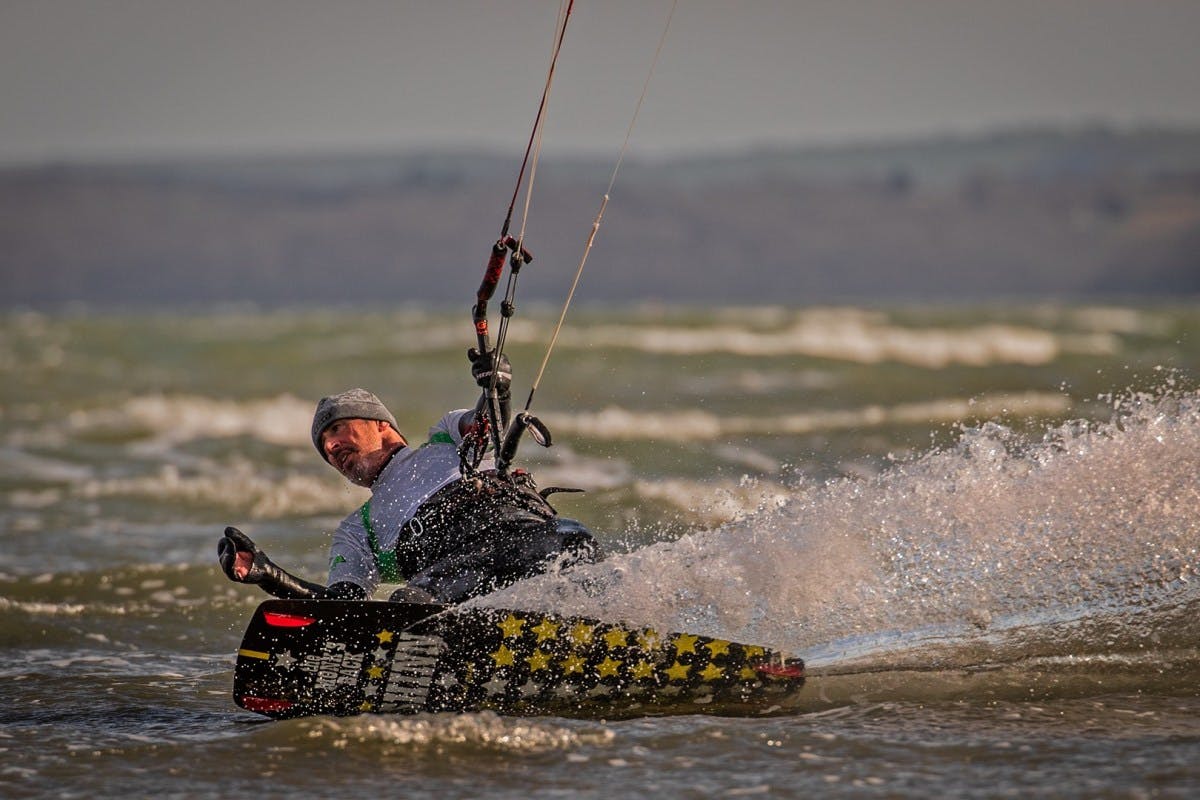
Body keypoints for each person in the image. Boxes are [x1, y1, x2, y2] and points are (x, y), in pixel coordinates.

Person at [218, 351, 597, 605]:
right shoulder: (357, 530)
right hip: (453, 581)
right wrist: (269, 576)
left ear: (381, 425)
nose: (332, 447)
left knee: (576, 539)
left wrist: (497, 385)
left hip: (529, 538)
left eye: (338, 430)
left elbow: (489, 423)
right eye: (324, 447)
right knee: (407, 607)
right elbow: (344, 609)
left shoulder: (446, 437)